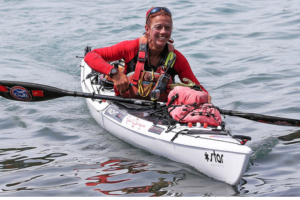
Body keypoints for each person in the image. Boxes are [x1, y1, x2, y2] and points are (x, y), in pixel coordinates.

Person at [84, 7, 211, 103]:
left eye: (167, 28)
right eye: (158, 27)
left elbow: (197, 88)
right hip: (125, 102)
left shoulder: (177, 58)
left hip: (159, 107)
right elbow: (90, 56)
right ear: (147, 29)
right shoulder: (131, 47)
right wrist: (114, 73)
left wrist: (206, 100)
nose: (163, 32)